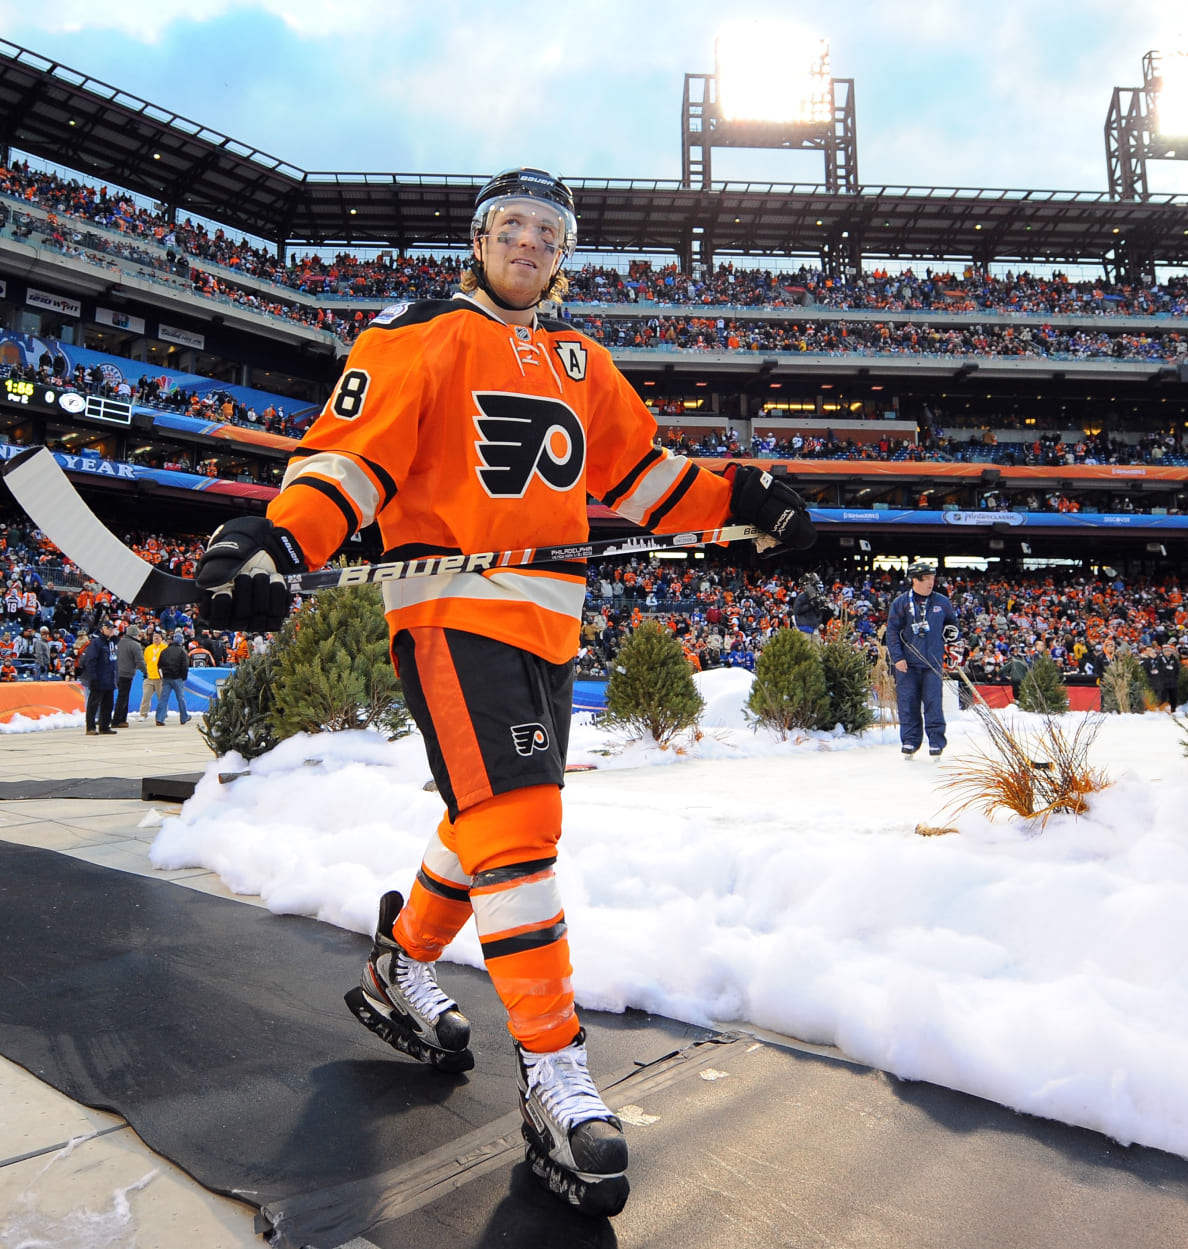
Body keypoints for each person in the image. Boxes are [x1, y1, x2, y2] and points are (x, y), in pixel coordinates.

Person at [191, 167, 815, 1216]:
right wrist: (276, 537)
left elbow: (643, 479)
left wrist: (743, 496)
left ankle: (402, 960)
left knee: (483, 820)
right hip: (450, 614)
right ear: (478, 239)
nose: (529, 242)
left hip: (548, 624)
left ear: (565, 255)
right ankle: (557, 1074)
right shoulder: (420, 332)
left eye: (549, 231)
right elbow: (350, 462)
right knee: (520, 827)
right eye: (512, 225)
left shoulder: (580, 358)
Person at [884, 560, 958, 759]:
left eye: (932, 578)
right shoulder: (900, 603)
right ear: (914, 580)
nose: (931, 582)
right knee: (908, 704)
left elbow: (953, 624)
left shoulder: (942, 602)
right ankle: (909, 742)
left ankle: (936, 743)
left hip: (932, 663)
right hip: (906, 664)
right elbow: (891, 633)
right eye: (926, 579)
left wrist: (953, 634)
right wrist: (897, 658)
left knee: (934, 703)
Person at [80, 617, 118, 735]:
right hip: (99, 678)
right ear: (102, 629)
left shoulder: (112, 642)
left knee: (108, 704)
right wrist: (93, 677)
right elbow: (90, 661)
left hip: (109, 678)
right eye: (109, 628)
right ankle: (90, 727)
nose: (112, 631)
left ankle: (104, 726)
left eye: (112, 629)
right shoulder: (96, 643)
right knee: (94, 704)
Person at [113, 620, 145, 727]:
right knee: (123, 697)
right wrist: (146, 672)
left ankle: (121, 719)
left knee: (122, 696)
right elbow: (140, 661)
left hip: (117, 672)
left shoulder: (120, 642)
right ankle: (118, 720)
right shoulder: (135, 645)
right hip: (127, 673)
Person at [155, 630, 190, 725]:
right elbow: (184, 666)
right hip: (177, 678)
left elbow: (159, 665)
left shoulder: (164, 651)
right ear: (181, 641)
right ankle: (183, 717)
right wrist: (183, 677)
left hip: (166, 678)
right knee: (181, 698)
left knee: (163, 699)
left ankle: (159, 719)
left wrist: (162, 676)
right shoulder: (182, 652)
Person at [138, 628, 165, 720]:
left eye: (157, 637)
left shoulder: (165, 648)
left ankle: (163, 713)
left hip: (160, 678)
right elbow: (145, 661)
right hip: (149, 677)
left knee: (161, 698)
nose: (155, 639)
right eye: (154, 637)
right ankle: (143, 714)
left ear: (161, 638)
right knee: (146, 696)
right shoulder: (148, 649)